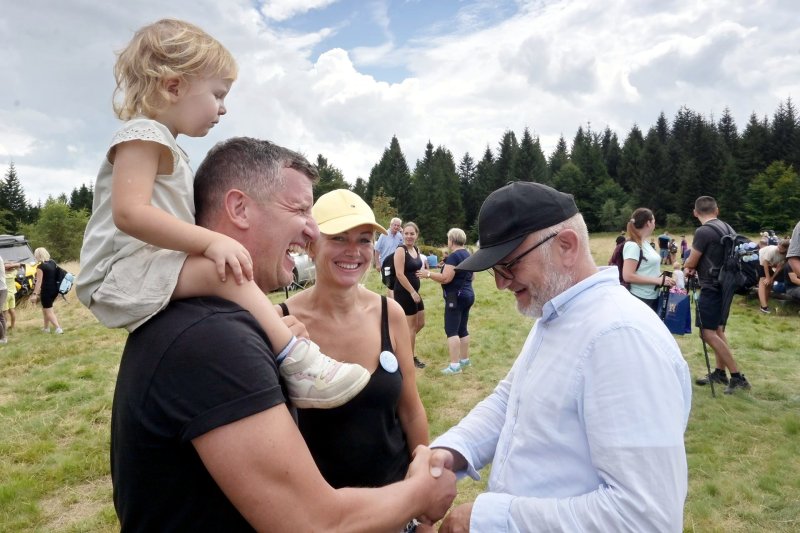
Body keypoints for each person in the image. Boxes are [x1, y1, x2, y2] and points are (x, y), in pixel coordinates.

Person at [111, 137, 456, 531]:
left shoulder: (229, 322)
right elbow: (313, 523)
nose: (311, 230)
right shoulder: (214, 339)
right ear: (239, 208)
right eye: (300, 210)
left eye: (363, 239)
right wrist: (421, 494)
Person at [75, 18, 367, 409]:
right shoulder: (143, 135)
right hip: (118, 273)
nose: (223, 108)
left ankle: (274, 338)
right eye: (217, 94)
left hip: (140, 268)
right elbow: (129, 213)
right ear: (173, 86)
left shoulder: (165, 145)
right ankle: (300, 364)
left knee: (225, 274)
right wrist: (212, 241)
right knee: (225, 270)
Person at [424, 182, 691, 532]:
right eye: (495, 270)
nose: (501, 284)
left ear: (566, 246)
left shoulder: (620, 337)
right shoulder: (557, 313)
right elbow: (510, 400)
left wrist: (490, 520)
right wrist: (451, 451)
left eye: (508, 265)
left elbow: (645, 517)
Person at [279, 190, 429, 525]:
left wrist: (422, 495)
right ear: (311, 245)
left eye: (364, 240)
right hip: (323, 519)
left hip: (395, 506)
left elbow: (411, 410)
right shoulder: (281, 324)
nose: (353, 251)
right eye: (338, 238)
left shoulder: (389, 314)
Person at [683, 196, 751, 393]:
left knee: (707, 333)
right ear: (717, 210)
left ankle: (737, 377)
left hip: (711, 287)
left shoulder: (703, 231)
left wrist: (688, 266)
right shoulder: (728, 228)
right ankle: (720, 373)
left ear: (695, 212)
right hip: (726, 286)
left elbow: (692, 261)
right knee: (718, 330)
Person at [418, 228, 475, 375]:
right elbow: (472, 276)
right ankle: (464, 360)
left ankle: (454, 366)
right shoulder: (468, 254)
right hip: (468, 294)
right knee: (462, 329)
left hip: (455, 297)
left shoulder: (454, 257)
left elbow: (445, 278)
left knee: (451, 330)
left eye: (448, 239)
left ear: (452, 240)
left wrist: (428, 274)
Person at [622, 208, 675, 311]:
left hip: (652, 296)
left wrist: (664, 279)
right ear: (648, 223)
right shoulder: (633, 245)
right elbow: (627, 276)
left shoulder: (644, 243)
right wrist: (658, 281)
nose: (655, 224)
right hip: (640, 298)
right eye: (654, 221)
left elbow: (646, 269)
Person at [393, 221, 427, 369]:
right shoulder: (401, 250)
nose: (409, 236)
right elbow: (399, 274)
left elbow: (415, 267)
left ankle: (400, 345)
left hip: (414, 292)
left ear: (416, 235)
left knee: (420, 323)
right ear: (402, 234)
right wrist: (412, 291)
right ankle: (409, 360)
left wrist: (421, 274)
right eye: (406, 233)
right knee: (411, 328)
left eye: (412, 233)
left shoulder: (416, 249)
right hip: (405, 293)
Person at [29, 248, 64, 334]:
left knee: (48, 311)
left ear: (37, 255)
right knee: (45, 309)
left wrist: (35, 294)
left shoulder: (40, 267)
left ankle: (58, 328)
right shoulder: (52, 263)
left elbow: (39, 282)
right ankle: (46, 328)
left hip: (46, 291)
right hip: (54, 289)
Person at [756, 239, 789, 314]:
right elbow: (765, 263)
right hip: (761, 260)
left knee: (769, 283)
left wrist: (772, 278)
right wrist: (768, 277)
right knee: (763, 281)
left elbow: (779, 267)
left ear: (786, 249)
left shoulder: (786, 255)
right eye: (779, 247)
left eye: (781, 248)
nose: (779, 249)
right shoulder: (772, 250)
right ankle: (764, 307)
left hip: (770, 263)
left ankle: (764, 304)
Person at [374, 217, 403, 297]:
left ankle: (393, 300)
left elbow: (403, 248)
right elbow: (377, 250)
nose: (396, 227)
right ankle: (392, 301)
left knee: (396, 283)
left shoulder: (400, 236)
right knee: (389, 284)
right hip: (385, 263)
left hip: (396, 263)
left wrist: (403, 233)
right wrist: (377, 264)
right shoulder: (384, 234)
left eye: (398, 225)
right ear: (391, 225)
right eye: (395, 225)